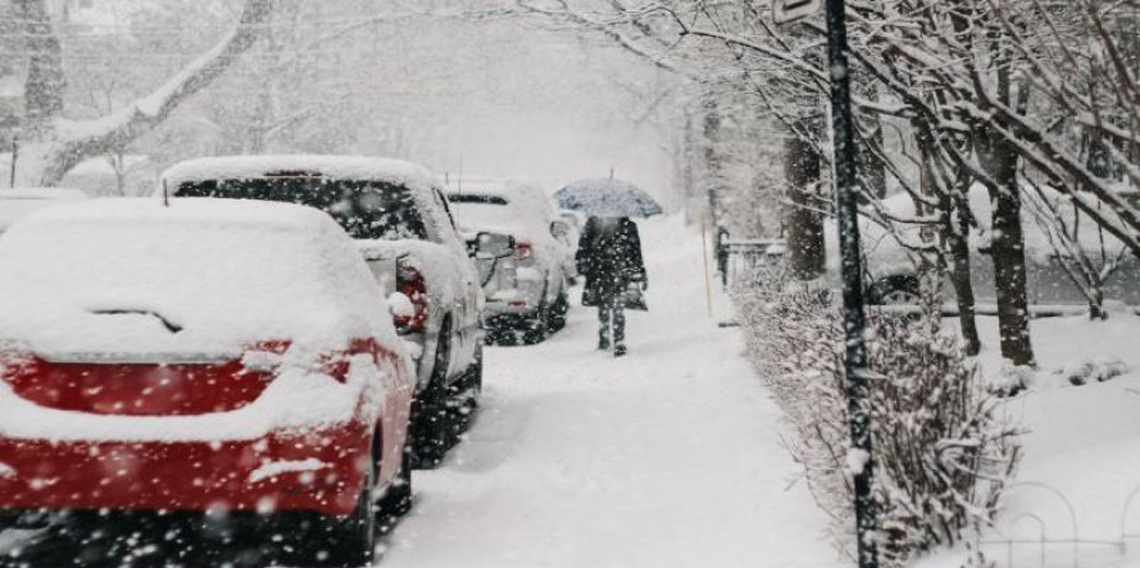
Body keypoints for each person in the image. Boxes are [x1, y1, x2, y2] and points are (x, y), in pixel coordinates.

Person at [576, 215, 647, 357]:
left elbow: (635, 250)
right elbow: (584, 248)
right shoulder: (594, 224)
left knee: (614, 304)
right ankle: (609, 337)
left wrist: (638, 270)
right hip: (603, 270)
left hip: (616, 270)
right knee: (607, 305)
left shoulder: (626, 226)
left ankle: (614, 338)